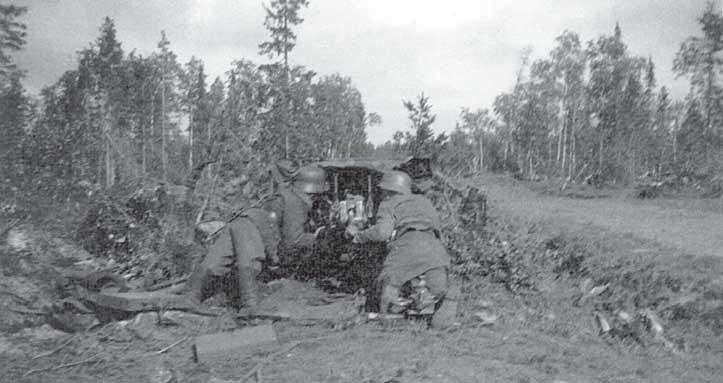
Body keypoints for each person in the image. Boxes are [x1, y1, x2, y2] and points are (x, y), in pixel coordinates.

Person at [183, 165, 329, 311]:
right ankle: (251, 308)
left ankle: (190, 298)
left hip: (240, 221)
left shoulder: (285, 193)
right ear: (315, 191)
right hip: (251, 227)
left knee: (213, 264)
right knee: (248, 265)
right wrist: (319, 236)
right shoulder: (296, 202)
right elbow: (294, 240)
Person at [345, 170, 451, 316]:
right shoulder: (424, 201)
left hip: (408, 244)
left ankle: (388, 318)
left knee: (389, 287)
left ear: (388, 191)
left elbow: (382, 233)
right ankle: (422, 308)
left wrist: (358, 236)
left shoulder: (389, 203)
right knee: (437, 289)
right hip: (435, 246)